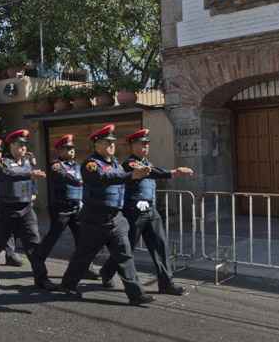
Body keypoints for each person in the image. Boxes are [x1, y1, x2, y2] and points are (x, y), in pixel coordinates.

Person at [59, 124, 154, 306]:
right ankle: (68, 285)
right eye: (106, 142)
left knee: (125, 256)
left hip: (115, 219)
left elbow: (120, 181)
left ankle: (136, 294)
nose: (111, 145)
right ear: (97, 145)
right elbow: (104, 179)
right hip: (95, 219)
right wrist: (131, 175)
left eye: (112, 142)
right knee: (84, 255)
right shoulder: (91, 164)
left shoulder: (116, 163)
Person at [99, 128, 194, 295]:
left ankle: (166, 283)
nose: (145, 147)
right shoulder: (130, 163)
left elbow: (152, 170)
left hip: (150, 210)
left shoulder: (146, 162)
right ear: (132, 146)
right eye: (141, 144)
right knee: (126, 248)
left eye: (147, 144)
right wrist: (173, 172)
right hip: (134, 212)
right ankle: (106, 272)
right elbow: (152, 173)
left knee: (160, 245)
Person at [0, 129, 57, 290]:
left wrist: (34, 191)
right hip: (7, 209)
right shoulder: (3, 162)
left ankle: (41, 278)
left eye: (24, 145)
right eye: (19, 145)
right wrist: (30, 174)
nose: (23, 148)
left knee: (34, 244)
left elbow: (32, 179)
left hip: (26, 209)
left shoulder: (28, 161)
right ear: (11, 146)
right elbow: (9, 174)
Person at [37, 134, 99, 279]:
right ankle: (37, 260)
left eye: (72, 148)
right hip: (61, 209)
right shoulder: (56, 166)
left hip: (77, 208)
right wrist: (79, 181)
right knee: (53, 237)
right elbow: (66, 177)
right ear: (59, 150)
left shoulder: (78, 165)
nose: (71, 151)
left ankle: (85, 268)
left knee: (83, 239)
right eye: (67, 148)